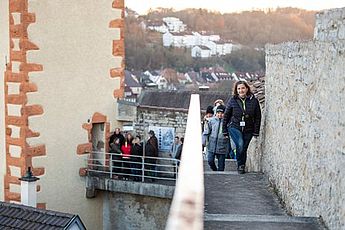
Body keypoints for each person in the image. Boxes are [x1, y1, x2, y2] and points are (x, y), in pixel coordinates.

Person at [222, 80, 261, 174]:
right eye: (238, 89)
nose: (241, 90)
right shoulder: (232, 100)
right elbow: (226, 116)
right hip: (234, 127)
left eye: (243, 88)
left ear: (247, 89)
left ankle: (241, 164)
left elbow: (258, 117)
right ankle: (241, 165)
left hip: (249, 128)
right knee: (240, 144)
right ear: (236, 90)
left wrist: (256, 131)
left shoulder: (254, 101)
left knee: (244, 147)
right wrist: (224, 131)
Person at [203, 105, 229, 171]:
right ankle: (215, 171)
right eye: (218, 113)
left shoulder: (227, 122)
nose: (220, 115)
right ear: (216, 113)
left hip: (222, 146)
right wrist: (202, 142)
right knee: (210, 161)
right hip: (212, 145)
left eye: (222, 113)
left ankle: (220, 176)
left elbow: (230, 134)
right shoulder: (211, 121)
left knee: (221, 166)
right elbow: (206, 132)